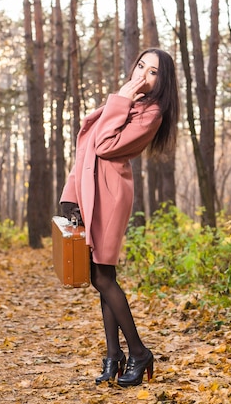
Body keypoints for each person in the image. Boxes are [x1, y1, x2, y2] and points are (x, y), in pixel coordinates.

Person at [59, 48, 179, 387]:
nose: (143, 74)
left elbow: (106, 147)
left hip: (110, 194)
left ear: (162, 80)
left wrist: (121, 98)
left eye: (153, 71)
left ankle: (138, 352)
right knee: (101, 275)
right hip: (89, 188)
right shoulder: (131, 103)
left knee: (102, 277)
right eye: (141, 65)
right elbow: (85, 146)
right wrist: (70, 194)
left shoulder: (151, 112)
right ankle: (114, 356)